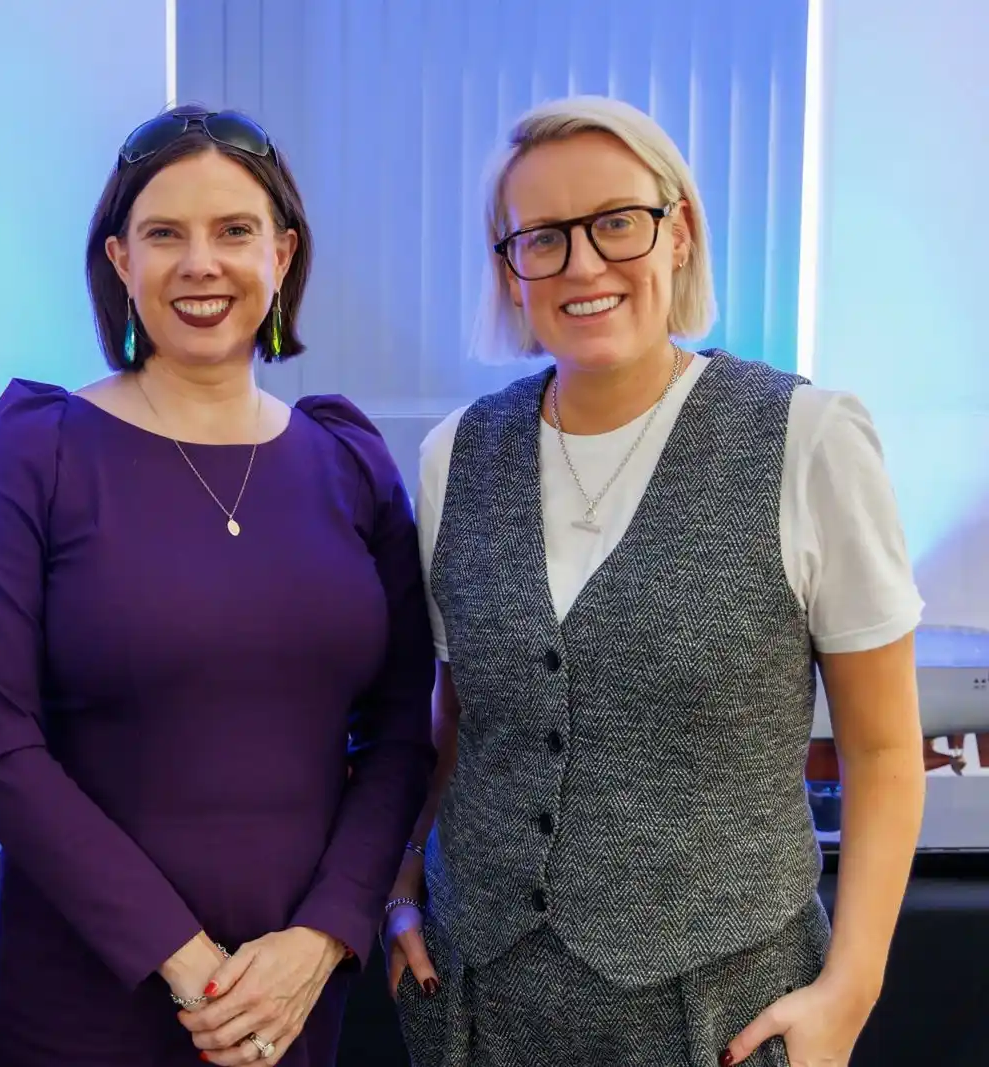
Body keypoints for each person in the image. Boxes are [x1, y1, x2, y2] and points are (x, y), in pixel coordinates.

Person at [387, 96, 926, 1067]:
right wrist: (399, 890)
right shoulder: (452, 456)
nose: (584, 264)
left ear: (677, 230)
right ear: (509, 270)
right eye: (541, 238)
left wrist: (849, 991)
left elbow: (884, 751)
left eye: (616, 222)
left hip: (719, 1013)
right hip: (476, 1006)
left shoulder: (809, 440)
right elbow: (458, 725)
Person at [0, 105, 436, 1067]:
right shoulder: (36, 450)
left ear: (283, 255)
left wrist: (323, 937)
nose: (199, 263)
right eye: (164, 234)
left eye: (234, 232)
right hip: (92, 992)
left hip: (292, 996)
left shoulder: (349, 462)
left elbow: (398, 735)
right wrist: (190, 967)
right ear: (121, 261)